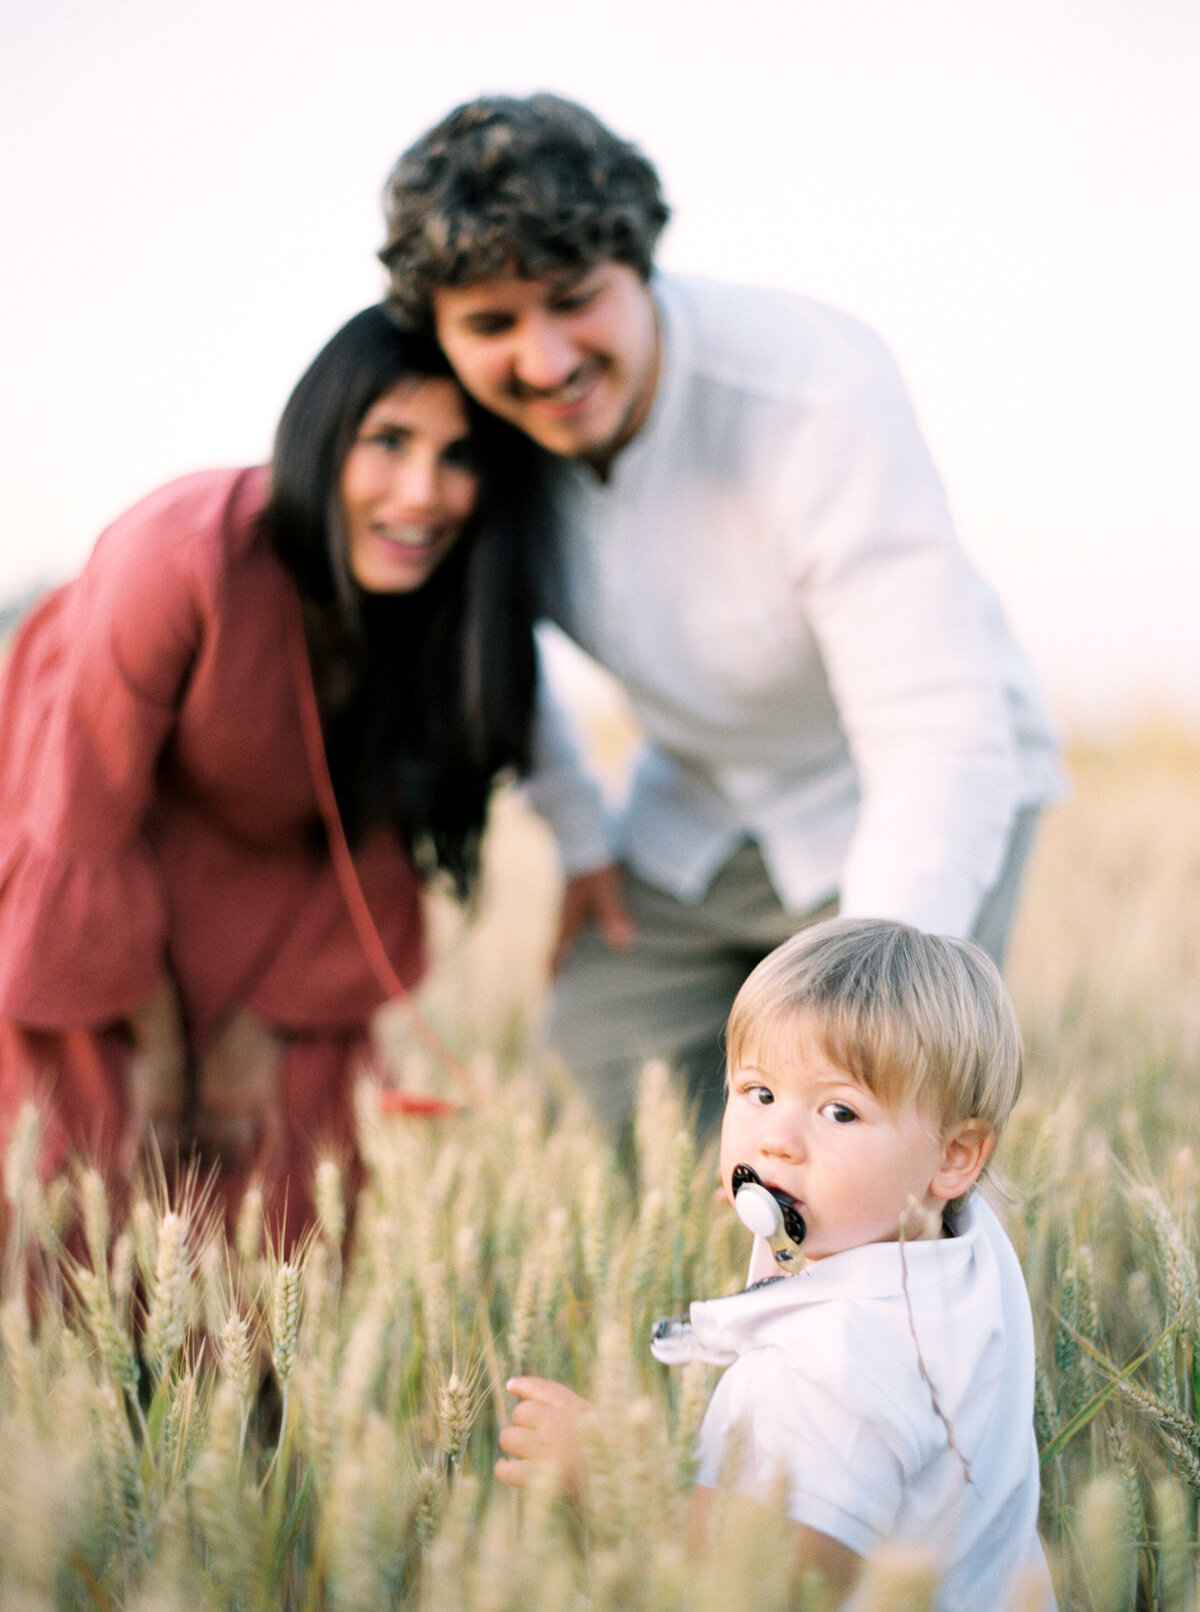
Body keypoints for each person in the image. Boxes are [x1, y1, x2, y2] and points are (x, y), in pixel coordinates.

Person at [378, 93, 1066, 1137]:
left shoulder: (813, 393)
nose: (547, 360)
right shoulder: (474, 427)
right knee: (592, 1086)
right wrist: (580, 837)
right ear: (440, 330)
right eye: (491, 324)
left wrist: (863, 988)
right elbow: (493, 638)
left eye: (574, 299)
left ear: (641, 261)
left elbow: (937, 730)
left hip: (906, 794)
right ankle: (727, 1291)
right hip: (696, 798)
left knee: (874, 1122)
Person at [0, 305, 548, 1242]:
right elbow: (82, 816)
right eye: (388, 442)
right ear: (321, 432)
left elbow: (376, 831)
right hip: (104, 887)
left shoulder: (449, 593)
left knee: (286, 1214)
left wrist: (257, 1030)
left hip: (294, 923)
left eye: (459, 458)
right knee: (86, 1186)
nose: (423, 493)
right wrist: (169, 1050)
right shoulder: (178, 556)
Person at [495, 918, 1056, 1612]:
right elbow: (849, 1233)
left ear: (953, 1157)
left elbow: (782, 1571)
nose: (779, 1141)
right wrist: (779, 1213)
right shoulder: (963, 1250)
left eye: (839, 1112)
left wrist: (617, 1478)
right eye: (758, 1094)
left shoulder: (831, 1365)